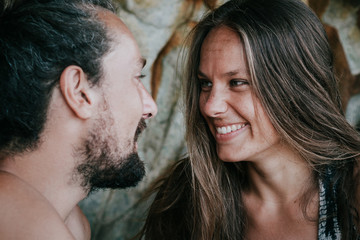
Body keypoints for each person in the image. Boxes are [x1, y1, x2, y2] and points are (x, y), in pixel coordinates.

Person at [139, 0, 360, 239]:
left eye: (237, 83)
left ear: (296, 87)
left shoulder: (354, 187)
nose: (211, 107)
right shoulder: (186, 196)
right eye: (205, 83)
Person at [0, 0, 157, 239]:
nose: (150, 107)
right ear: (79, 92)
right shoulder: (13, 213)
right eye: (137, 77)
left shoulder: (74, 224)